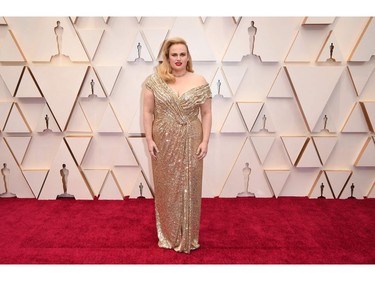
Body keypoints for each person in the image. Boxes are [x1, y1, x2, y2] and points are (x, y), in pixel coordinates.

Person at [142, 37, 212, 253]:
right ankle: (169, 235)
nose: (179, 58)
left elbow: (207, 112)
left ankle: (188, 236)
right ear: (167, 57)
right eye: (174, 54)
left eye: (182, 54)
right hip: (164, 140)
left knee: (190, 186)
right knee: (166, 187)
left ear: (188, 56)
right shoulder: (154, 81)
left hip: (192, 137)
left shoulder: (199, 80)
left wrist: (205, 140)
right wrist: (149, 139)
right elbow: (148, 112)